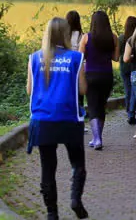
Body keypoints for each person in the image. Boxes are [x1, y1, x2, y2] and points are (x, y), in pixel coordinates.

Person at [26, 17, 89, 220]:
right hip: (69, 118)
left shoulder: (35, 58)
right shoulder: (75, 58)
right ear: (65, 34)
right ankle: (75, 200)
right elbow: (82, 89)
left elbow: (29, 90)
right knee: (77, 162)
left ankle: (52, 213)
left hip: (42, 119)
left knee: (48, 167)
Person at [79, 11, 119, 150]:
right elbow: (116, 58)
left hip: (91, 75)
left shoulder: (86, 38)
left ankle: (97, 139)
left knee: (92, 105)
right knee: (101, 105)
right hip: (107, 75)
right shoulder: (113, 38)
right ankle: (98, 137)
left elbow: (80, 58)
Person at [118, 16, 136, 124]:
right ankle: (132, 112)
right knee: (135, 91)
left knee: (127, 90)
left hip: (124, 67)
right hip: (135, 66)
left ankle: (129, 112)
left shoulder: (122, 37)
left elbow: (119, 54)